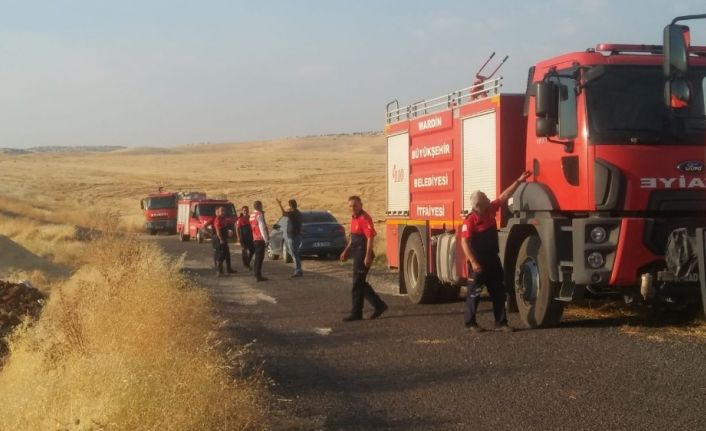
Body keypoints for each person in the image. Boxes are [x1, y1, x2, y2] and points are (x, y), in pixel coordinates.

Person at [461, 170, 532, 333]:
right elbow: (464, 242)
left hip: (492, 259)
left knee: (498, 292)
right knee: (475, 293)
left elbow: (504, 196)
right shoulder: (470, 221)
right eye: (485, 197)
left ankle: (501, 323)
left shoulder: (490, 210)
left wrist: (519, 180)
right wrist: (473, 261)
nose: (489, 199)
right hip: (479, 262)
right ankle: (470, 323)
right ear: (479, 205)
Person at [340, 195, 387, 321]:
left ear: (361, 205)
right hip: (357, 253)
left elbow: (370, 237)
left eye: (355, 205)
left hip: (363, 254)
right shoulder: (354, 218)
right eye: (350, 206)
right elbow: (353, 237)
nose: (353, 208)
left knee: (357, 283)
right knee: (360, 283)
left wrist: (367, 256)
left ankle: (357, 312)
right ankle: (378, 306)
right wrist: (346, 251)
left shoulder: (364, 218)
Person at [276, 197, 303, 277]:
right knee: (295, 253)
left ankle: (298, 270)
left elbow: (284, 213)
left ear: (291, 206)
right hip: (297, 235)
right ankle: (298, 269)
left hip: (293, 236)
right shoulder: (299, 213)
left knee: (294, 253)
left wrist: (280, 204)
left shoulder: (292, 213)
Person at [208, 206, 236, 276]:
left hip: (224, 238)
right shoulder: (218, 219)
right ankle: (219, 271)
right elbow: (218, 231)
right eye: (221, 211)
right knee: (221, 254)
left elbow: (224, 229)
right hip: (220, 239)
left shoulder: (223, 218)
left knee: (226, 253)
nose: (223, 212)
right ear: (218, 212)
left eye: (224, 211)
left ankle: (226, 270)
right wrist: (220, 239)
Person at [249, 200, 269, 282]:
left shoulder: (252, 215)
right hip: (260, 239)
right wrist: (266, 239)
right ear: (259, 206)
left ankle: (256, 273)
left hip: (254, 237)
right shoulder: (259, 215)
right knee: (260, 258)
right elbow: (262, 228)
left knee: (257, 257)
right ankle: (258, 275)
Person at [237, 205, 255, 270]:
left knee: (252, 250)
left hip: (250, 237)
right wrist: (238, 237)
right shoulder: (240, 219)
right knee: (244, 251)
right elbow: (237, 229)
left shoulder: (250, 218)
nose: (245, 211)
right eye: (244, 210)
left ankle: (247, 263)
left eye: (246, 210)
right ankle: (246, 265)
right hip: (243, 237)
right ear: (242, 211)